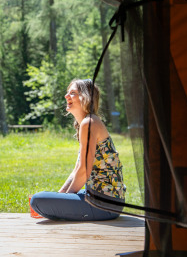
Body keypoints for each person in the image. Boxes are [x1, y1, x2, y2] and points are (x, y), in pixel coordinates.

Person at [30, 79, 126, 221]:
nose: (66, 96)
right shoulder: (87, 123)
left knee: (38, 200)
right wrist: (60, 195)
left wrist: (63, 201)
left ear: (85, 97)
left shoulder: (89, 123)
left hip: (105, 204)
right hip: (101, 199)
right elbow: (76, 171)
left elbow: (83, 171)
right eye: (67, 92)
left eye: (73, 93)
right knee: (45, 199)